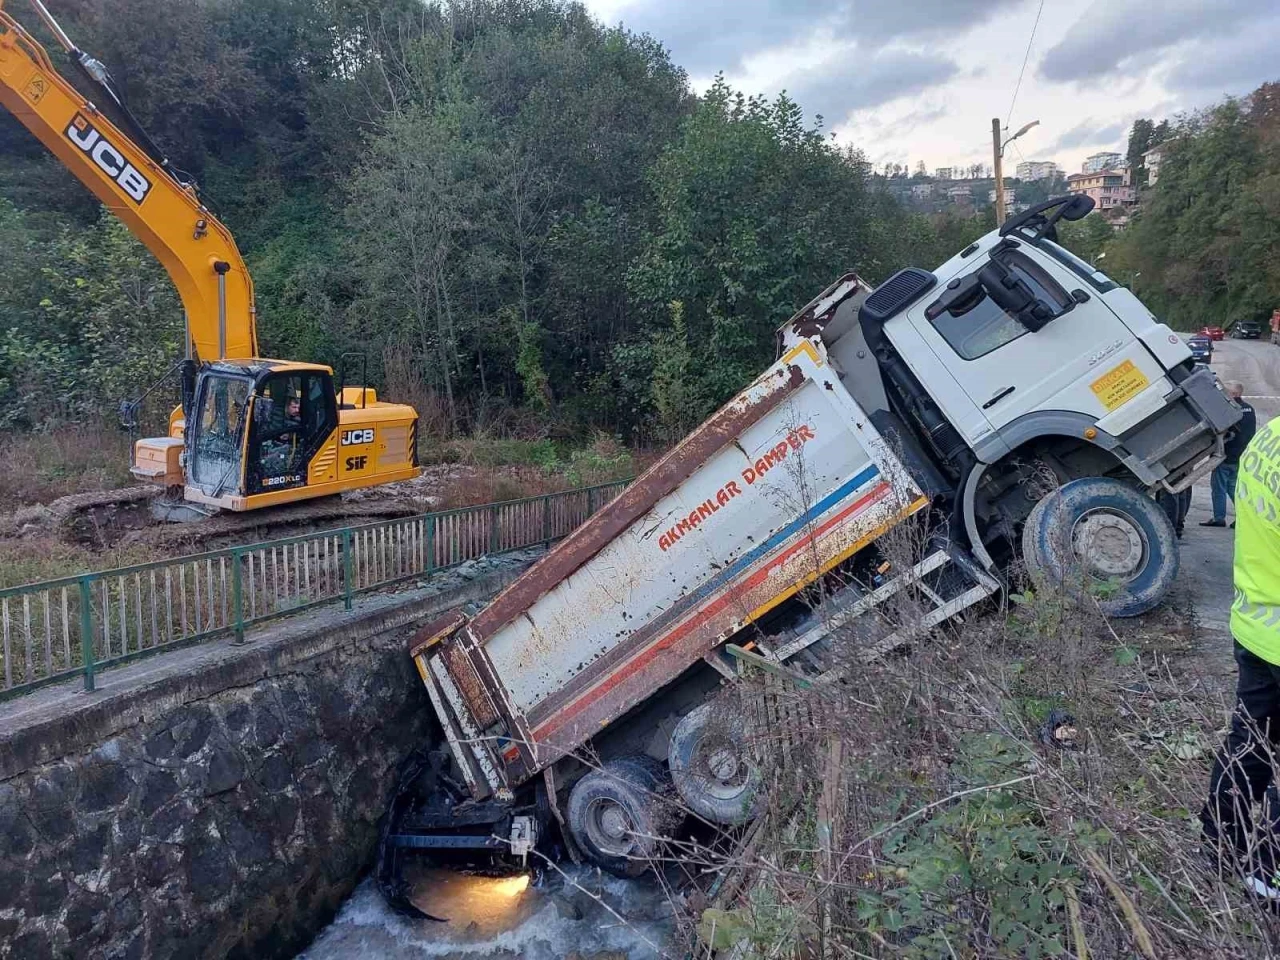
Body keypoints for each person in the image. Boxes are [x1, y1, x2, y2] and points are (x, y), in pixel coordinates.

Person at [1201, 414, 1280, 897]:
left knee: (1249, 747)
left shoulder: (1270, 436)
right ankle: (1269, 877)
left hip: (1257, 628)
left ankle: (1219, 846)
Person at [1202, 381, 1256, 528]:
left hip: (1226, 455)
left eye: (1226, 391)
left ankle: (1219, 518)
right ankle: (1243, 517)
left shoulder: (1230, 409)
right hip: (1241, 455)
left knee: (1219, 488)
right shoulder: (1249, 409)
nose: (1223, 393)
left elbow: (1219, 429)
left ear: (1234, 394)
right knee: (1233, 487)